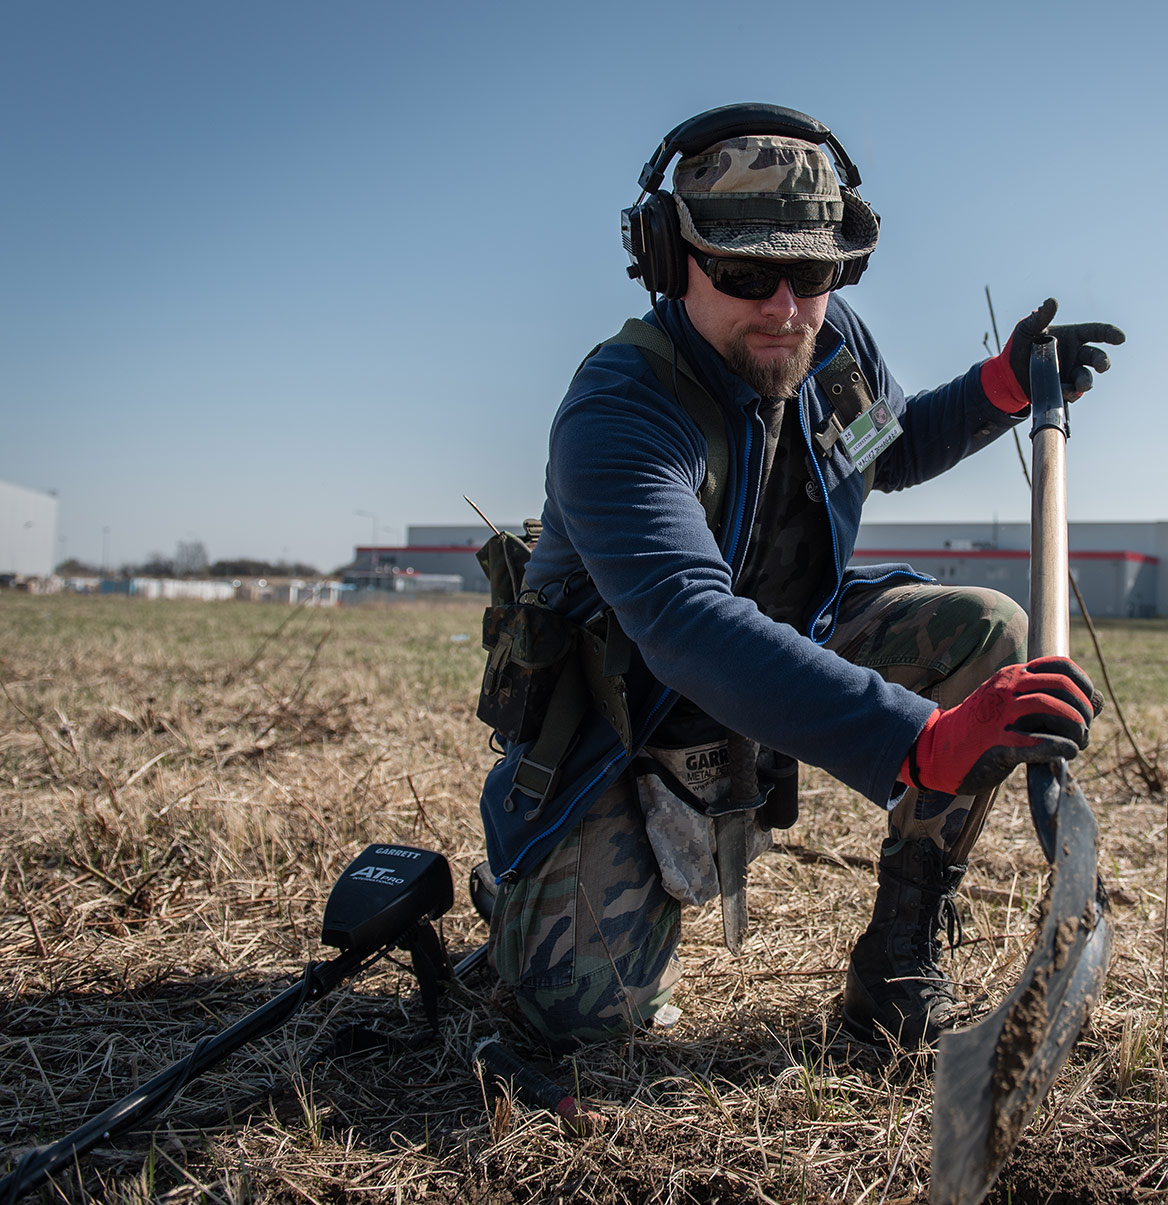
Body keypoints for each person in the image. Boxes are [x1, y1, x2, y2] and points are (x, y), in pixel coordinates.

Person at [476, 104, 1124, 1052]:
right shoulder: (619, 410)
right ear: (668, 258)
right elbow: (687, 621)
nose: (784, 305)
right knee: (586, 1017)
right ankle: (525, 894)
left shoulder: (831, 347)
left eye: (812, 272)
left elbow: (888, 448)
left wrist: (999, 389)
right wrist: (920, 740)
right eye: (743, 272)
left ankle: (896, 962)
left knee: (988, 630)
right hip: (631, 712)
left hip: (791, 647)